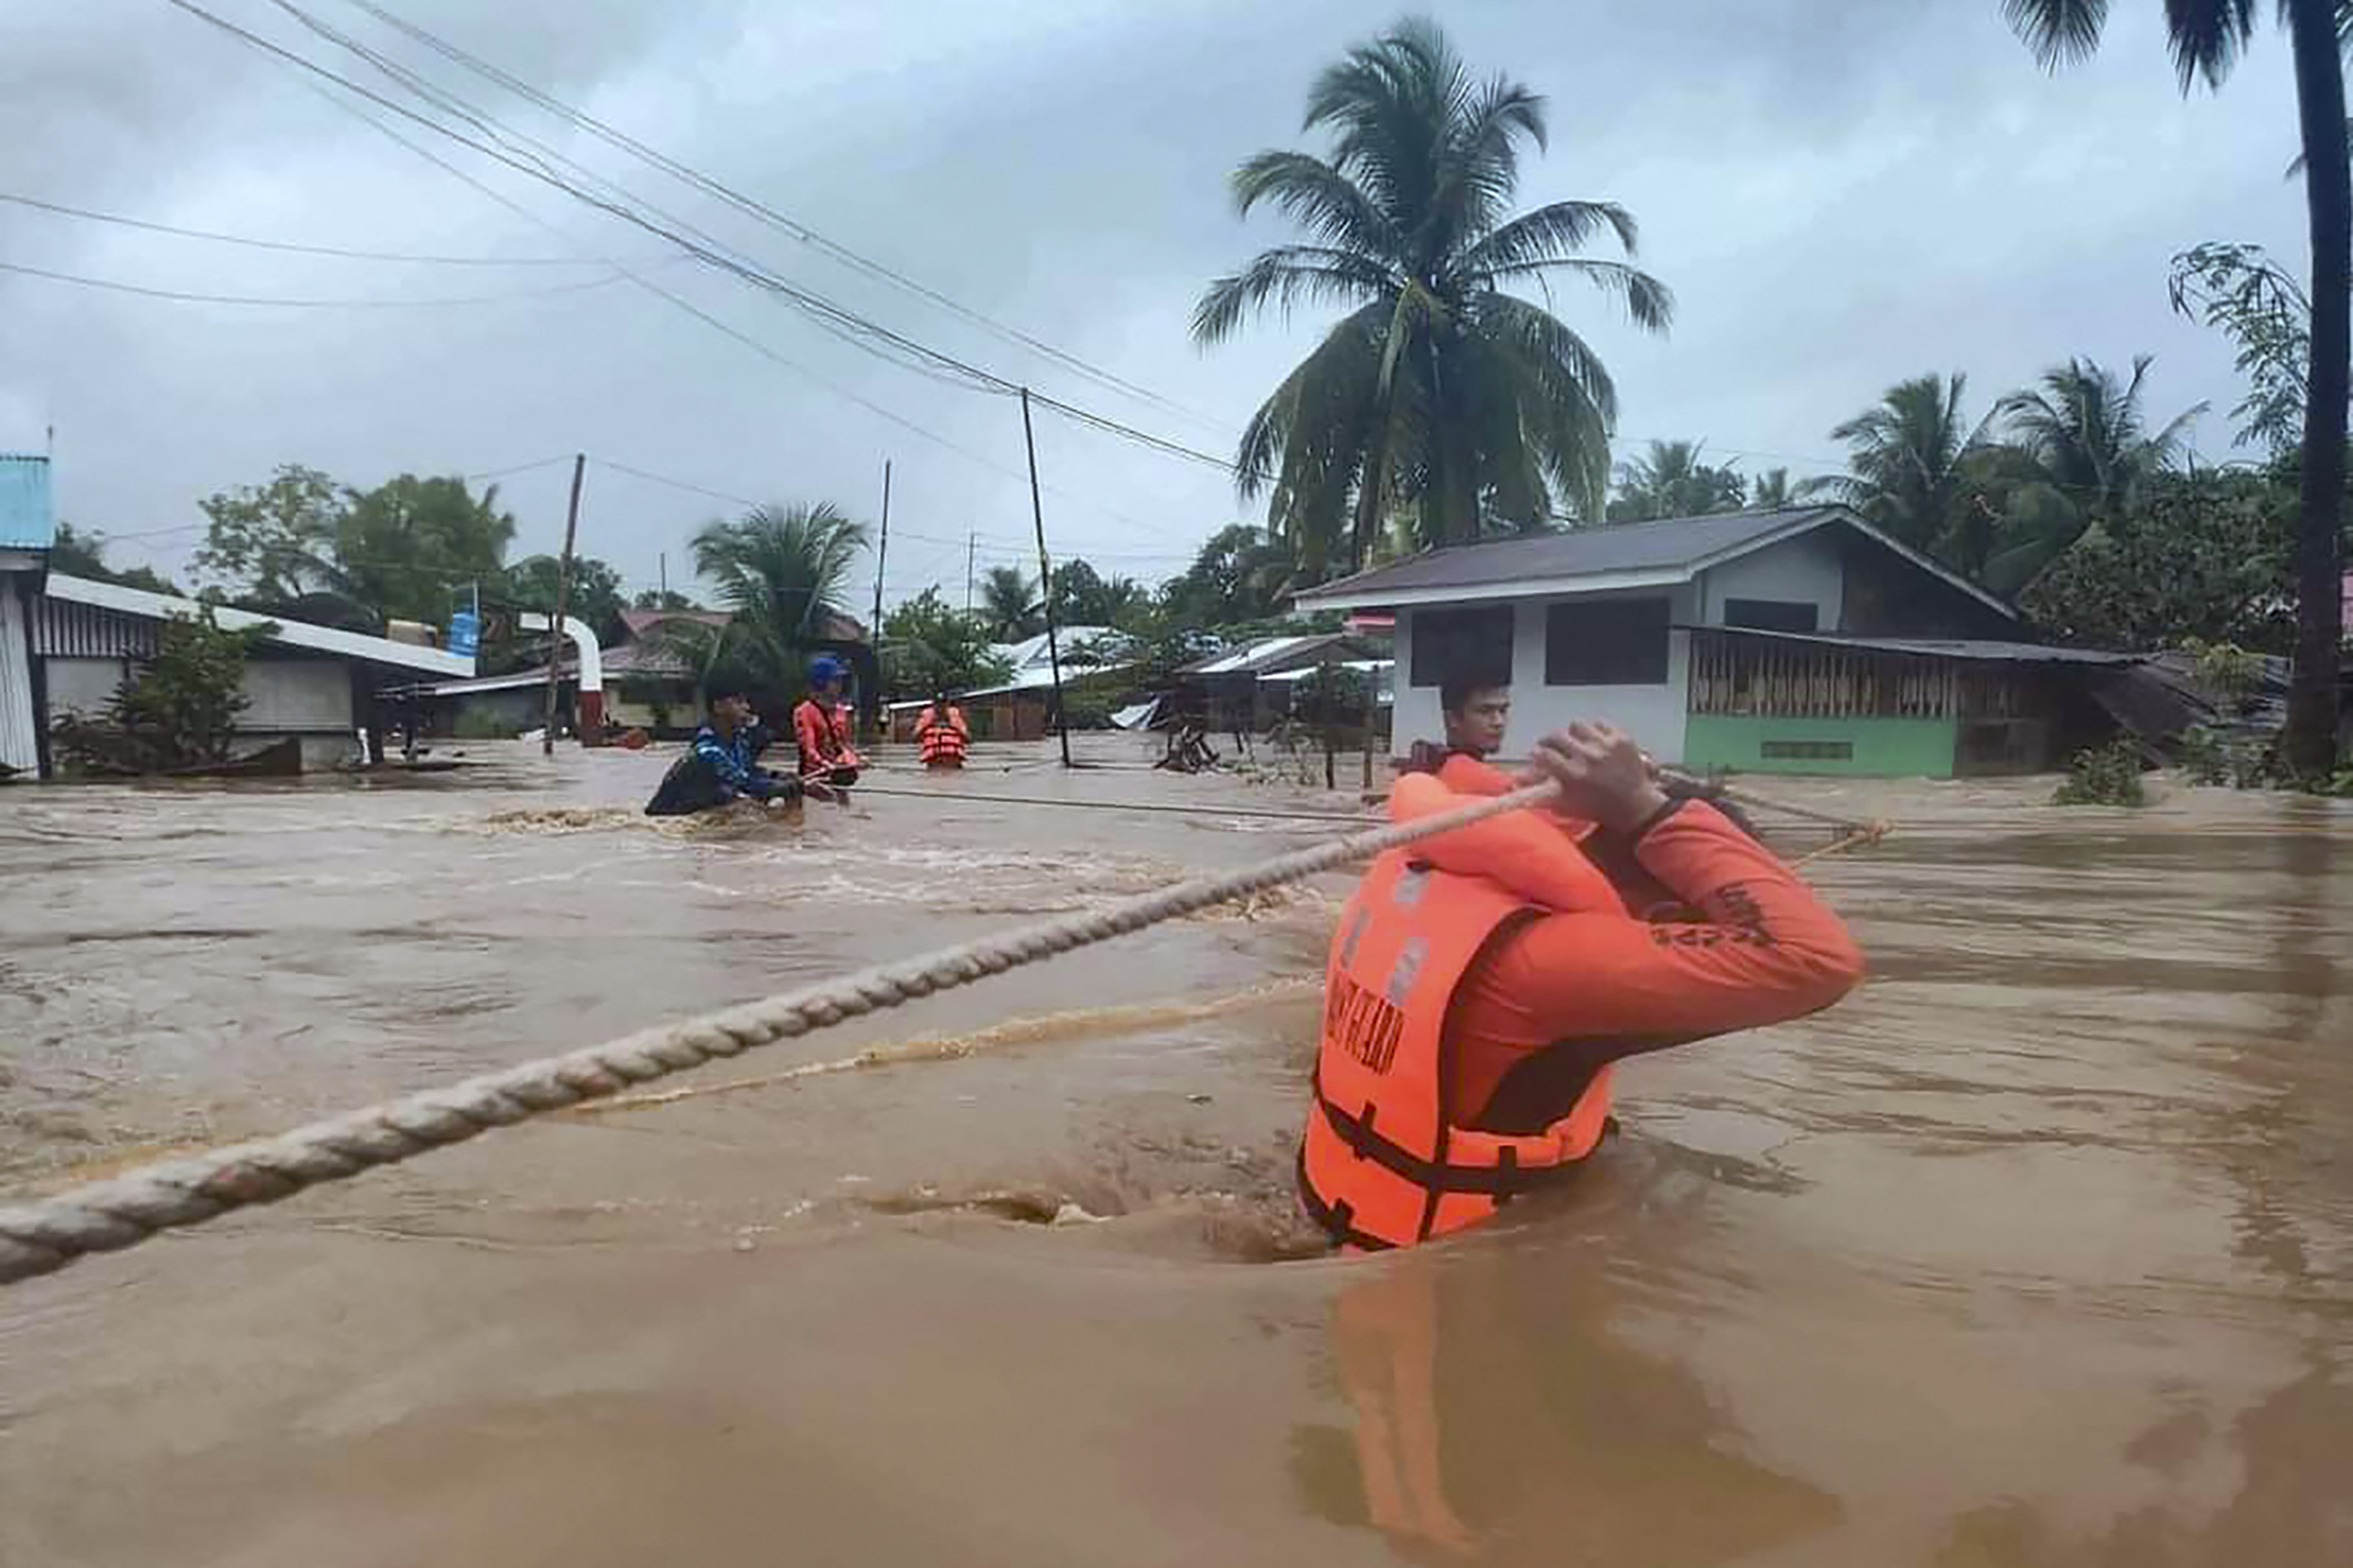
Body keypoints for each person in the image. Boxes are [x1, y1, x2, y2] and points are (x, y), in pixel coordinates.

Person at [1298, 720, 1865, 1251]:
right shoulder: (1551, 967)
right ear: (1670, 913)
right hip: (1457, 1267)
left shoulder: (1447, 877)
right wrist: (1645, 808)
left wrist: (1625, 801)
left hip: (1338, 1204)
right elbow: (1813, 959)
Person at [643, 680, 805, 818]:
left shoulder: (737, 740)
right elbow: (746, 783)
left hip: (705, 807)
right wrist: (795, 786)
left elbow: (750, 771)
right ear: (719, 707)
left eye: (746, 701)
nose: (747, 707)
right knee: (747, 807)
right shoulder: (708, 751)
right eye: (739, 701)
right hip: (670, 819)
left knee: (753, 805)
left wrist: (786, 777)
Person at [1402, 674, 1516, 794]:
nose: (1499, 722)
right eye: (1485, 711)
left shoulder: (1433, 765)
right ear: (1452, 719)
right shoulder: (1488, 782)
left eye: (1503, 711)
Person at [793, 655, 864, 790]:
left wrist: (855, 759)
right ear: (820, 682)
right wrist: (824, 763)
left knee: (846, 809)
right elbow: (809, 748)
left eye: (841, 680)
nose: (840, 685)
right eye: (835, 680)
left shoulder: (841, 711)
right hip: (814, 777)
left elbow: (844, 745)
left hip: (838, 774)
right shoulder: (804, 712)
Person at [914, 688, 969, 769]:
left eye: (943, 703)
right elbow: (914, 738)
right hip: (934, 764)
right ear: (933, 704)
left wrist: (954, 727)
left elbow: (968, 739)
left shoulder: (955, 718)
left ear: (947, 703)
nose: (940, 706)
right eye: (938, 703)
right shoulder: (926, 718)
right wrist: (928, 725)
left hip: (953, 764)